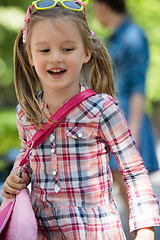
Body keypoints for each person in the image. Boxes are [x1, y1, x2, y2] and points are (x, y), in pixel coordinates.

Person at [1, 0, 160, 239]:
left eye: (67, 49)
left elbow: (134, 172)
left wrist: (145, 230)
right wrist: (15, 177)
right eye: (44, 50)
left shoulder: (103, 109)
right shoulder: (26, 112)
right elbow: (27, 157)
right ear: (31, 56)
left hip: (94, 232)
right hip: (43, 231)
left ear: (86, 52)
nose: (56, 58)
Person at [94, 0, 159, 228]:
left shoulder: (133, 35)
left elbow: (138, 88)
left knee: (134, 187)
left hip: (129, 121)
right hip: (114, 120)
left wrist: (133, 133)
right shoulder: (114, 37)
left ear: (101, 6)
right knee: (121, 186)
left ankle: (143, 230)